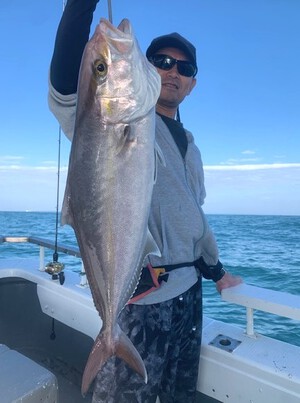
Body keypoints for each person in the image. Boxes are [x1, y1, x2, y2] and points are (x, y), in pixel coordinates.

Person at [48, 1, 242, 402]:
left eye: (184, 68)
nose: (173, 71)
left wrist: (217, 270)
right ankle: (109, 335)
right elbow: (69, 91)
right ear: (147, 68)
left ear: (192, 83)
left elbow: (191, 216)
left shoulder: (189, 145)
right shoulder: (110, 119)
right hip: (140, 299)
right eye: (163, 61)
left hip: (190, 296)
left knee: (177, 395)